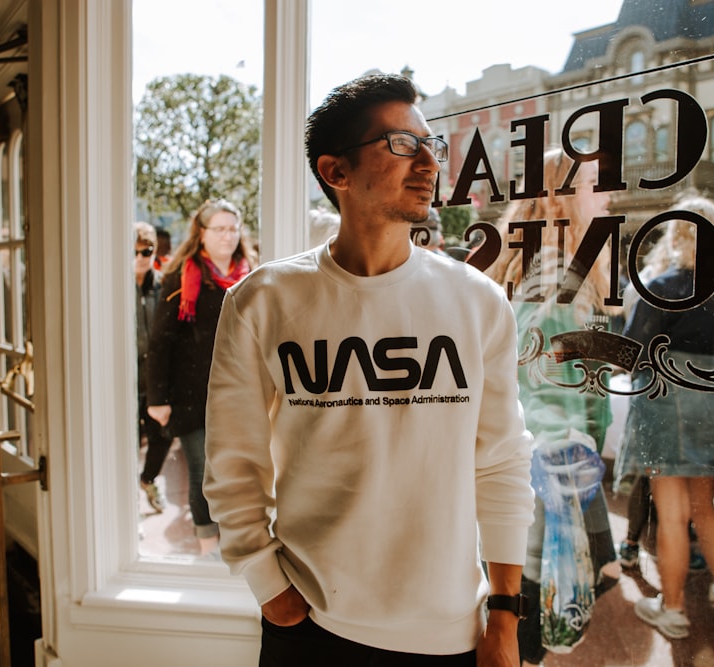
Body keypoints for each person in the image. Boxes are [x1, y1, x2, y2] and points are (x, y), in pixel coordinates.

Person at [203, 73, 535, 666]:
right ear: (337, 172)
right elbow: (232, 465)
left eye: (432, 144)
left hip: (449, 629)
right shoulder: (262, 301)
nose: (430, 161)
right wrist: (271, 592)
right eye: (403, 144)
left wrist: (505, 616)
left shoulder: (478, 301)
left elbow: (503, 460)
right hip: (311, 624)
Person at [487, 148, 620, 665]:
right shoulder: (561, 271)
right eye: (594, 183)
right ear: (562, 196)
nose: (608, 195)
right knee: (534, 603)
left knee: (523, 595)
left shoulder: (534, 263)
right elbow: (553, 382)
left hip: (534, 454)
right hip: (553, 458)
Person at [617, 194, 714, 639]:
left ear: (676, 233)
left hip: (667, 402)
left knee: (672, 509)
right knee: (706, 506)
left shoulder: (662, 285)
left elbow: (633, 352)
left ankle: (675, 609)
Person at [147, 199, 256, 558]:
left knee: (237, 468)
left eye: (232, 228)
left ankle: (237, 537)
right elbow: (160, 342)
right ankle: (208, 546)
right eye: (219, 229)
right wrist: (157, 399)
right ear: (202, 233)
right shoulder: (182, 277)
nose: (227, 236)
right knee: (203, 470)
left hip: (241, 393)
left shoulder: (251, 274)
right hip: (193, 394)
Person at [134, 221, 173, 513]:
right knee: (127, 443)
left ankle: (147, 479)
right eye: (133, 251)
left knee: (162, 436)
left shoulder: (163, 284)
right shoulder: (111, 288)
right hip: (125, 380)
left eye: (145, 251)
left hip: (156, 379)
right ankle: (126, 508)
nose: (139, 258)